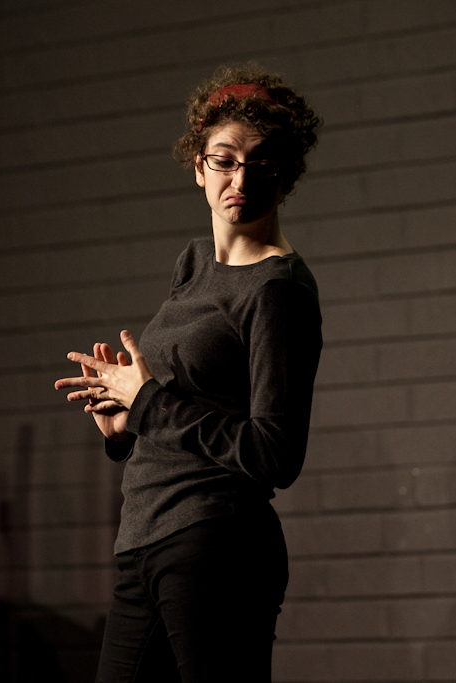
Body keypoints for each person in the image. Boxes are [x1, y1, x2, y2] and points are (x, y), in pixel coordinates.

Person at [55, 64, 323, 682]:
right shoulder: (194, 264)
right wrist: (124, 425)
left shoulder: (277, 289)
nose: (241, 177)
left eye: (260, 161)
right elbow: (180, 409)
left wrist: (149, 401)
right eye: (224, 160)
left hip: (217, 542)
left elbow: (275, 453)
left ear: (285, 172)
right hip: (144, 538)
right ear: (199, 167)